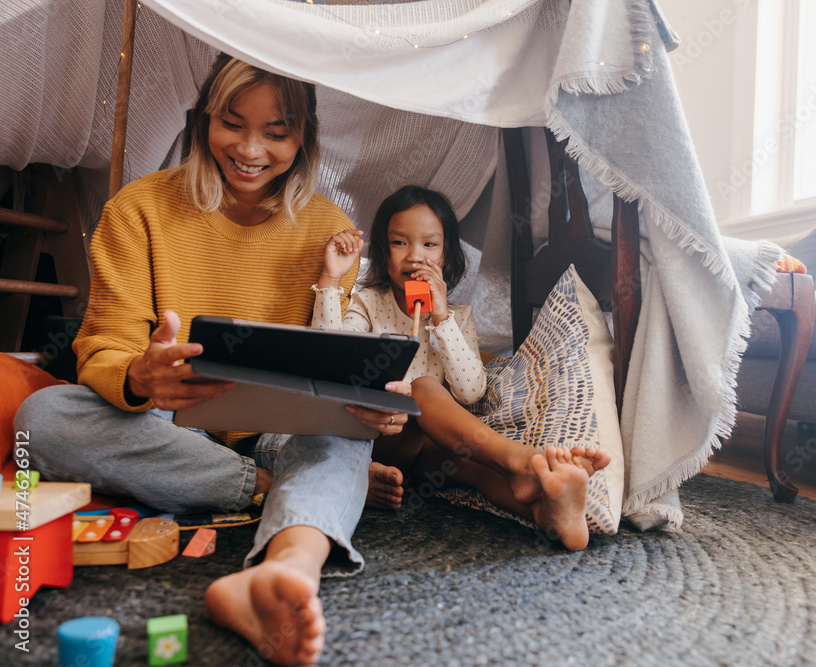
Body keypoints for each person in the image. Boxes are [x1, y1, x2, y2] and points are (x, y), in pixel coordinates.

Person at [13, 54, 401, 666]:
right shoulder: (137, 209)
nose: (250, 150)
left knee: (342, 437)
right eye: (232, 123)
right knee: (42, 416)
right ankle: (277, 494)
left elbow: (328, 361)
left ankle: (282, 572)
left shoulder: (331, 230)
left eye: (277, 132)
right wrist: (139, 375)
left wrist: (370, 400)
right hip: (165, 428)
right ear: (203, 122)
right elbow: (102, 345)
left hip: (278, 430)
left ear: (304, 139)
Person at [311, 185, 611, 551]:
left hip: (425, 458)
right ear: (383, 254)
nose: (414, 257)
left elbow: (471, 391)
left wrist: (441, 317)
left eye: (430, 245)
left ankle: (549, 513)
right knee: (422, 387)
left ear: (448, 258)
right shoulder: (368, 303)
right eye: (399, 243)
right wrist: (330, 280)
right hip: (377, 443)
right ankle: (520, 459)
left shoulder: (456, 318)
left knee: (468, 466)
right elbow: (330, 361)